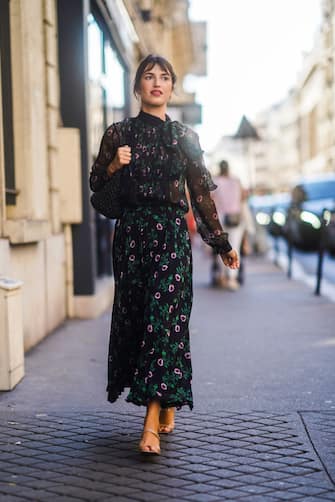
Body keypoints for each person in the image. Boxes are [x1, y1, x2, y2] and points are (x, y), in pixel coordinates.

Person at [89, 54, 239, 455]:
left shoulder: (183, 137)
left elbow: (201, 194)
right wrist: (113, 169)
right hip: (133, 237)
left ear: (172, 88)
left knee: (164, 319)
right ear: (138, 87)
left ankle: (150, 424)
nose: (157, 82)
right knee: (141, 319)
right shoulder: (119, 134)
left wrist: (220, 242)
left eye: (165, 77)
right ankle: (169, 397)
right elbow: (96, 189)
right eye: (149, 77)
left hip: (172, 236)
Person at [211, 159, 243, 291]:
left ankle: (223, 276)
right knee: (235, 247)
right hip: (235, 217)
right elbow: (242, 198)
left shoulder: (216, 181)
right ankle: (232, 278)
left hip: (221, 218)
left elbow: (211, 198)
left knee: (222, 247)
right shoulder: (236, 181)